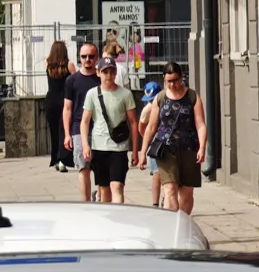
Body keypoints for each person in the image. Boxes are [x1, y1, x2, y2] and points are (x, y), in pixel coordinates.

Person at [137, 62, 207, 213]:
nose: (172, 84)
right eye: (168, 81)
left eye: (175, 80)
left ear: (181, 78)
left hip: (189, 149)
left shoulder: (192, 97)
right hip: (166, 150)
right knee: (170, 189)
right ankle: (173, 225)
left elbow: (201, 125)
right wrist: (143, 152)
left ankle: (183, 222)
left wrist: (202, 148)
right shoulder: (160, 98)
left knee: (187, 193)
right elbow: (151, 127)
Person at [80, 57, 138, 204]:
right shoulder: (92, 94)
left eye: (112, 72)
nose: (109, 75)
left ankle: (119, 215)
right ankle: (109, 220)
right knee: (104, 189)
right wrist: (85, 145)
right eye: (105, 72)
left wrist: (136, 150)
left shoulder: (126, 94)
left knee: (117, 186)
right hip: (99, 146)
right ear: (98, 73)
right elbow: (85, 121)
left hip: (119, 147)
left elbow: (133, 122)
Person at [61, 41, 102, 202]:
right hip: (79, 128)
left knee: (100, 168)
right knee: (83, 168)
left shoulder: (101, 78)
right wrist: (67, 134)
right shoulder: (72, 80)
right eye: (84, 56)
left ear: (97, 58)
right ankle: (85, 202)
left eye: (91, 56)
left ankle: (100, 196)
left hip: (100, 128)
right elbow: (67, 108)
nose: (87, 60)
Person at [42, 40, 71, 172]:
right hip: (64, 101)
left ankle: (54, 158)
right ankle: (62, 159)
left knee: (53, 131)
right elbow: (74, 81)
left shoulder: (48, 64)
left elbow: (48, 58)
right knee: (64, 131)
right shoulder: (69, 65)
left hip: (50, 100)